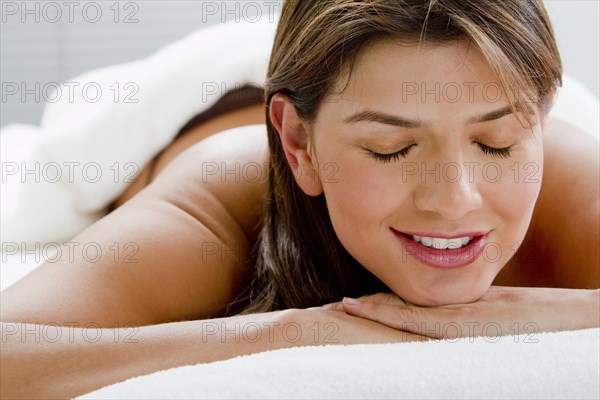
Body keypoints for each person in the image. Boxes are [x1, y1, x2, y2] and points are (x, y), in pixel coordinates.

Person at [1, 0, 598, 398]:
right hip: (206, 98)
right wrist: (299, 332)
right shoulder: (227, 197)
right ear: (298, 144)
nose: (453, 201)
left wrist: (556, 313)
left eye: (495, 144)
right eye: (390, 149)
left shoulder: (567, 182)